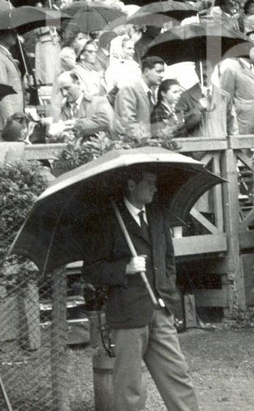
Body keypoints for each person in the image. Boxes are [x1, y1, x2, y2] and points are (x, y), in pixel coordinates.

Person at [82, 169, 200, 411]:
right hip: (128, 314)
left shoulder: (158, 215)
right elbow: (92, 271)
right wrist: (124, 268)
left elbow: (168, 259)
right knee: (130, 387)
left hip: (161, 309)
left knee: (178, 376)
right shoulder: (109, 220)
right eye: (149, 183)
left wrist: (167, 290)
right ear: (131, 185)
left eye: (155, 183)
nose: (154, 189)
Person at [114, 56, 165, 141]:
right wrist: (144, 142)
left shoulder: (148, 92)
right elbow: (128, 123)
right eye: (158, 71)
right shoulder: (130, 88)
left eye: (163, 72)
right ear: (146, 71)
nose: (162, 75)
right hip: (131, 146)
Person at [51, 70, 114, 140]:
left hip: (97, 148)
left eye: (67, 88)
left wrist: (77, 124)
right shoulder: (63, 108)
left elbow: (106, 121)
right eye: (61, 90)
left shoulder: (99, 101)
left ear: (78, 84)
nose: (64, 93)